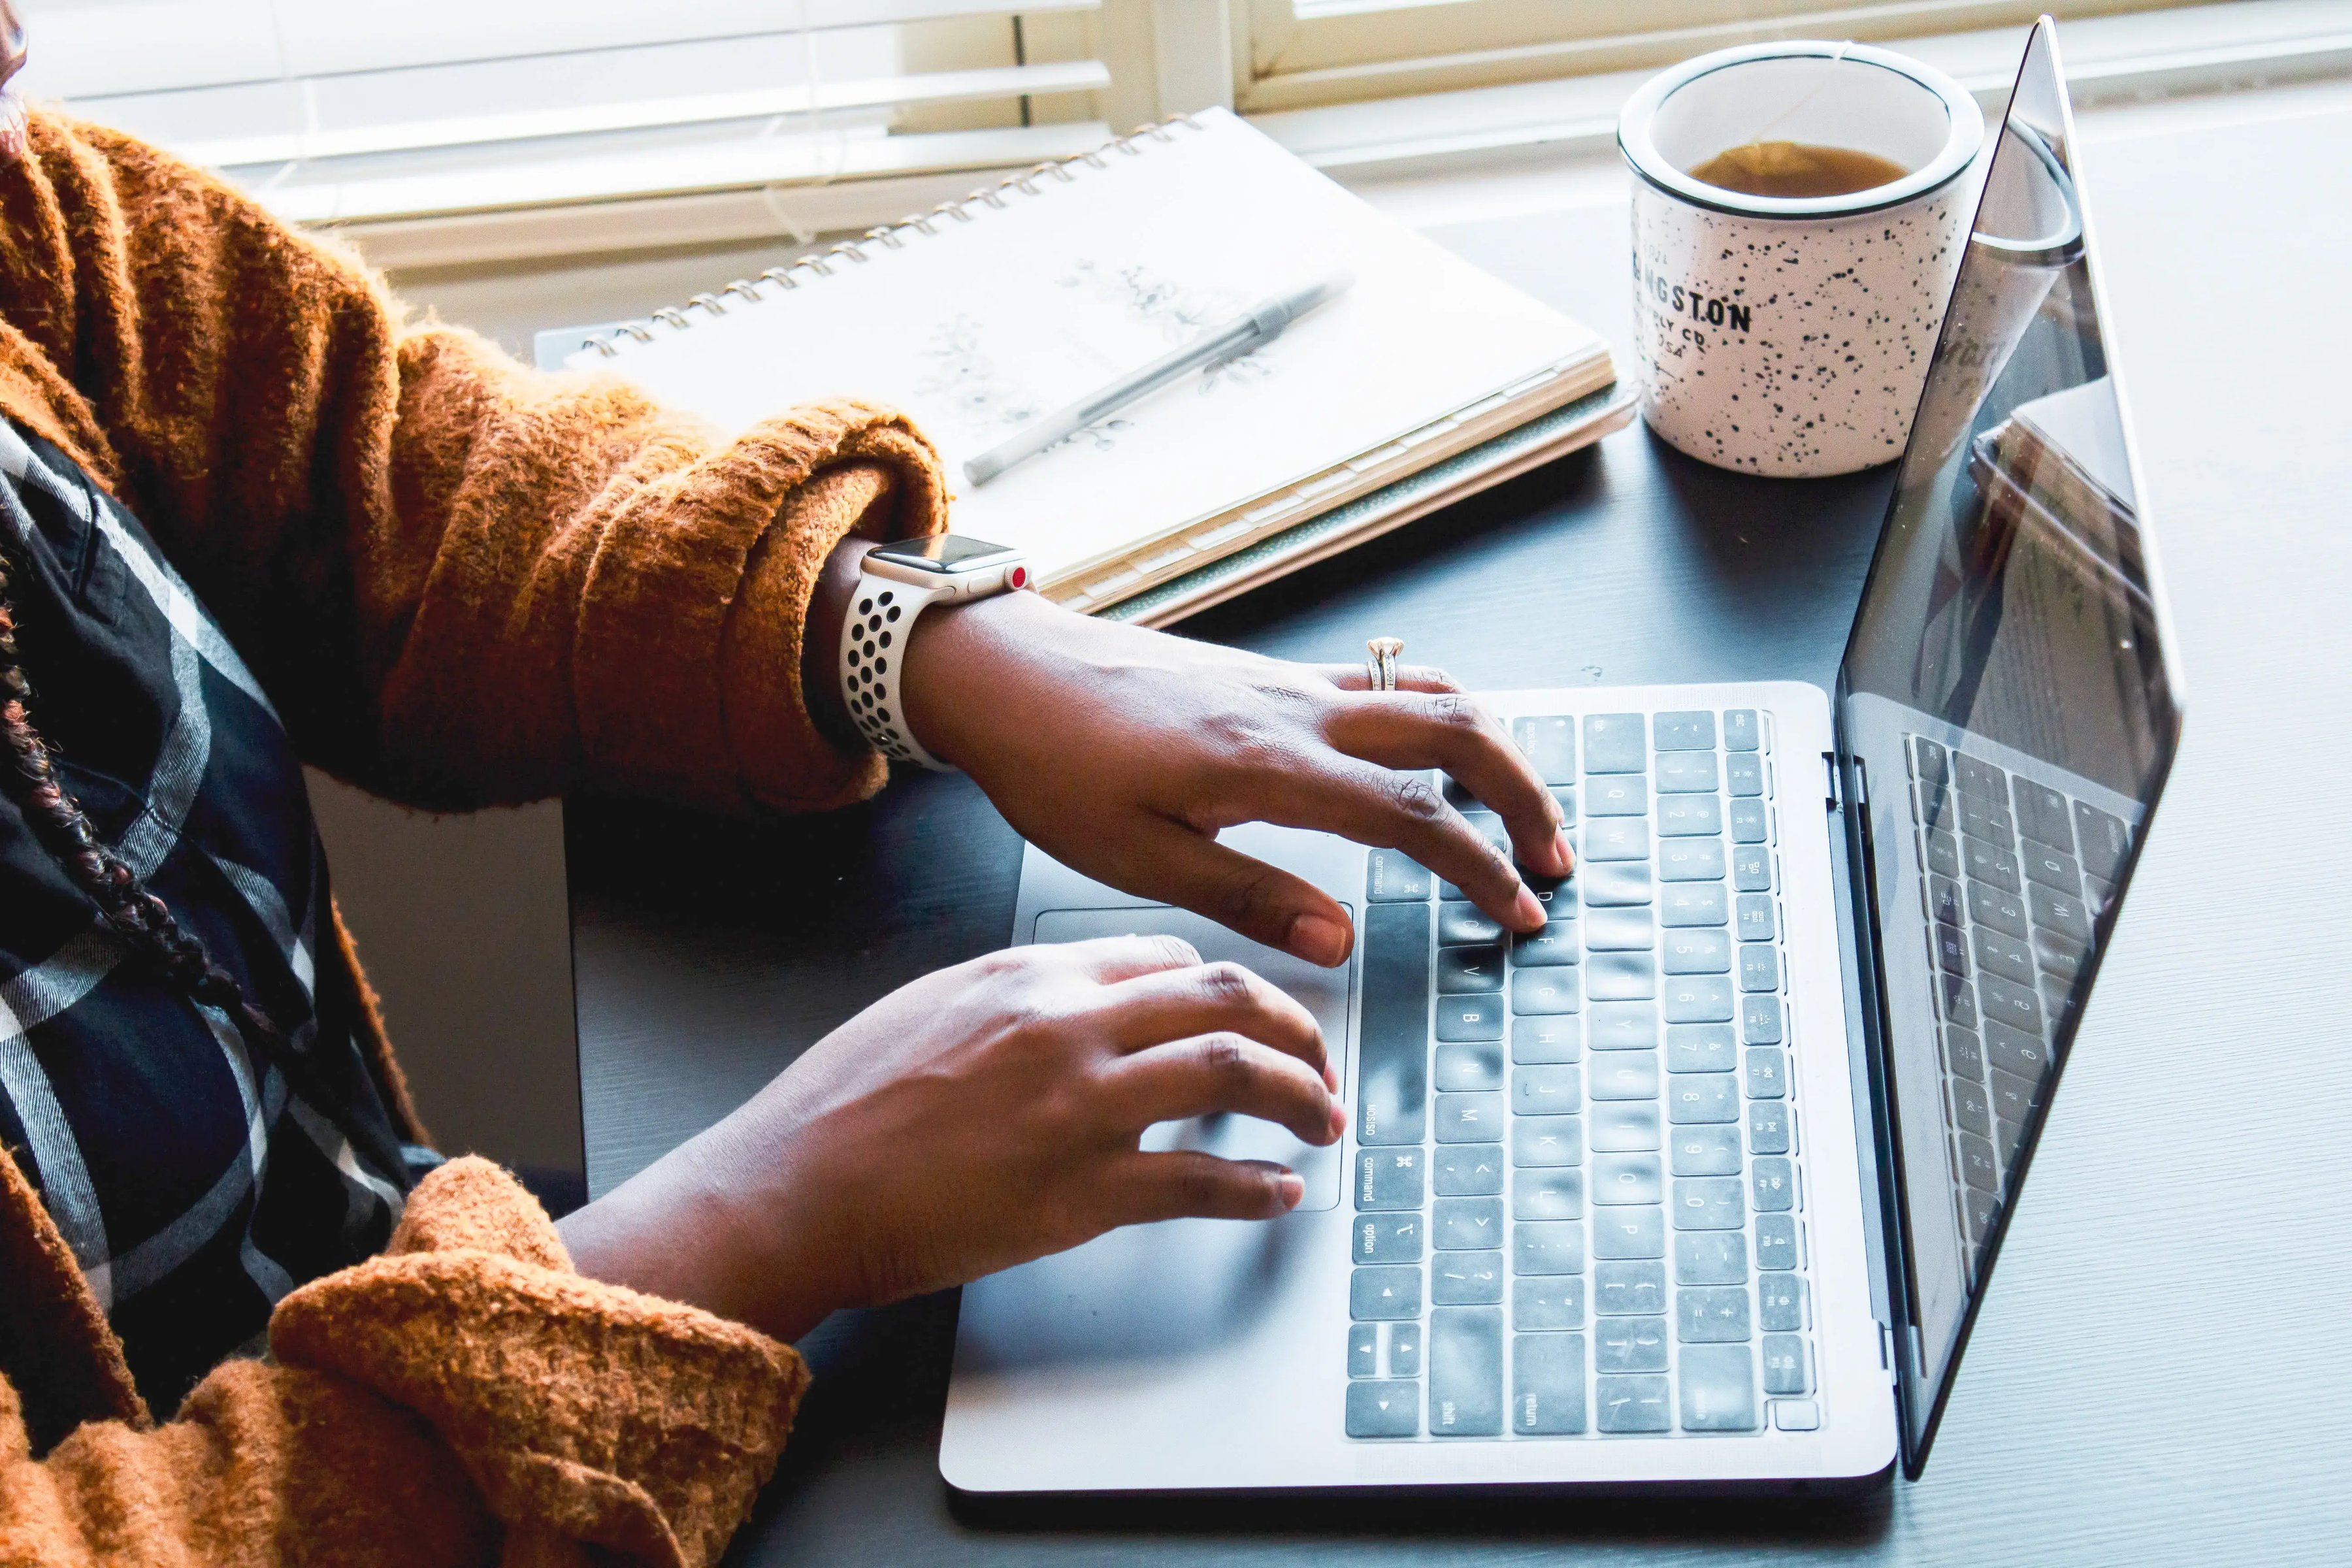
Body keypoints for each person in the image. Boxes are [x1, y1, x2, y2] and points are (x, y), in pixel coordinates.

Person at [0, 68, 1570, 1568]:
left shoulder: (22, 222)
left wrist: (932, 641)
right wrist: (766, 1221)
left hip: (431, 1287)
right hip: (437, 1433)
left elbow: (394, 471)